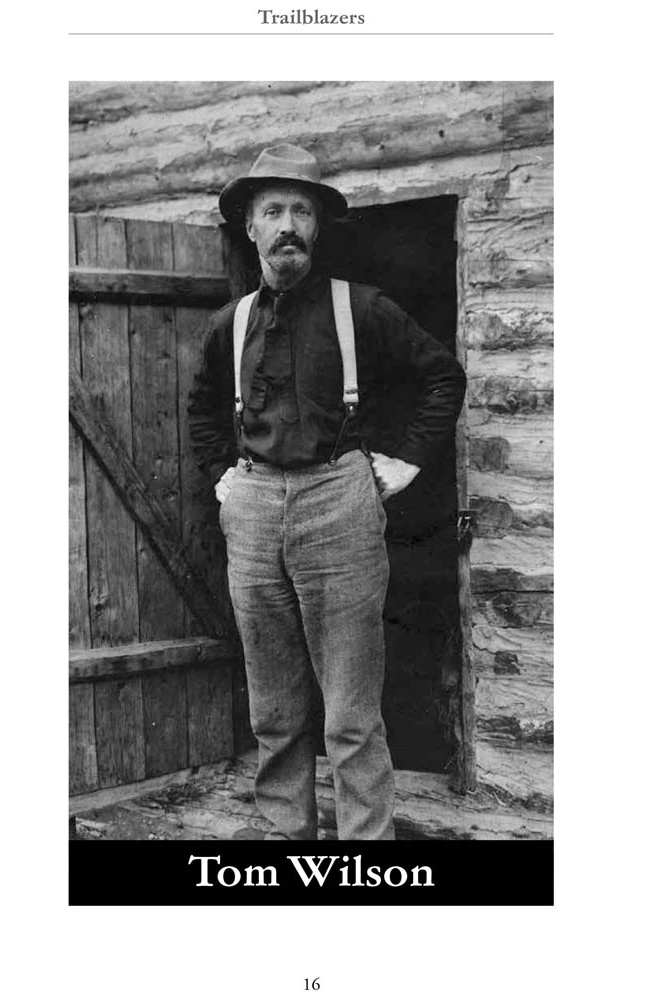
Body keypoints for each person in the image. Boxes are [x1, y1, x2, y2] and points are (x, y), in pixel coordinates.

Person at [188, 144, 466, 840]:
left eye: (301, 211)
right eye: (272, 211)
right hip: (253, 507)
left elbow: (441, 376)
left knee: (349, 706)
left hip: (338, 498)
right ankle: (287, 834)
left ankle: (365, 845)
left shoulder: (361, 307)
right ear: (249, 227)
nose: (287, 225)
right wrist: (222, 475)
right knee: (274, 702)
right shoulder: (230, 322)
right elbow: (199, 410)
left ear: (317, 226)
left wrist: (406, 462)